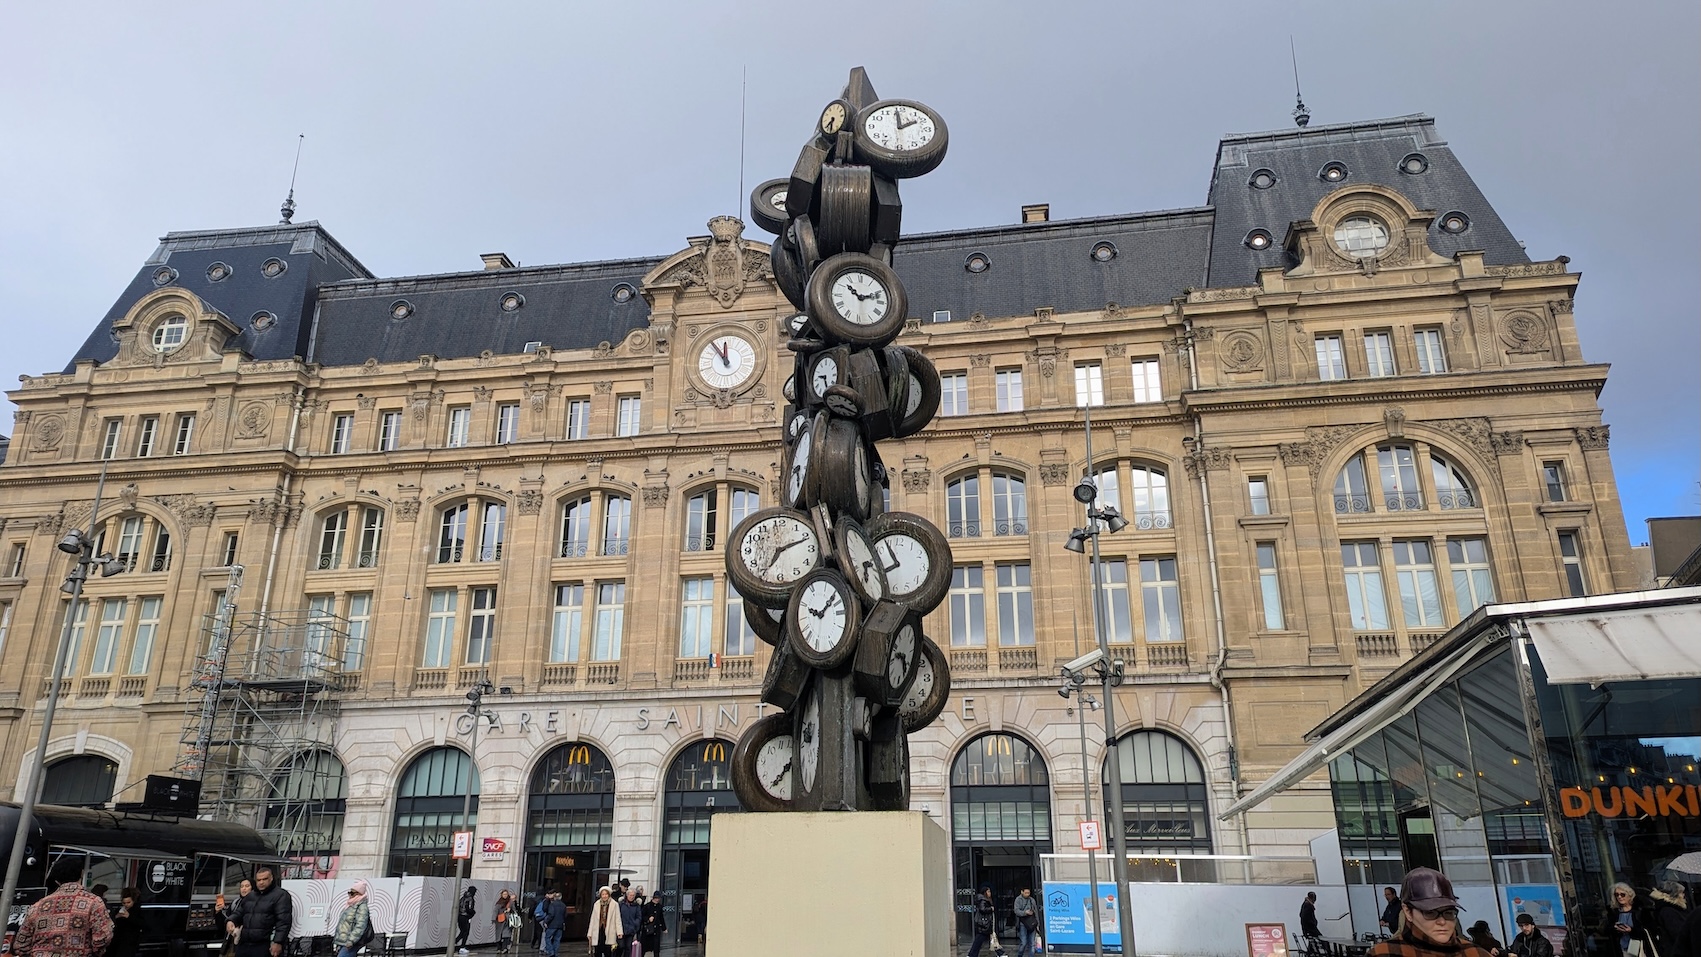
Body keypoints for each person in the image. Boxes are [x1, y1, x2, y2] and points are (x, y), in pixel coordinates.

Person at [1368, 867, 1494, 957]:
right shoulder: (1384, 953)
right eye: (1430, 913)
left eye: (1448, 912)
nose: (1442, 921)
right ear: (1407, 911)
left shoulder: (1476, 953)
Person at [12, 858, 114, 957]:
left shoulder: (37, 906)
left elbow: (21, 944)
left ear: (57, 881)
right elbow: (103, 937)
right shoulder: (94, 903)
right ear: (82, 874)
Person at [228, 866, 293, 957]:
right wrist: (231, 920)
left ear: (271, 878)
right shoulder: (250, 896)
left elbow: (283, 922)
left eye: (265, 879)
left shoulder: (281, 895)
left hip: (265, 945)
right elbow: (239, 912)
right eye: (259, 880)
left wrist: (278, 941)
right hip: (244, 944)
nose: (261, 882)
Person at [1600, 883, 1652, 955]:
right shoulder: (1614, 912)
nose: (1619, 897)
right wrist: (1614, 928)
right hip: (1620, 949)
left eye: (1622, 894)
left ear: (1629, 895)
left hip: (1639, 949)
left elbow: (1650, 930)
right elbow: (1605, 930)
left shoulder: (1640, 911)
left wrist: (1631, 930)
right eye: (1616, 895)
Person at [332, 881, 372, 957]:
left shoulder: (362, 907)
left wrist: (352, 940)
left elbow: (360, 925)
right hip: (344, 942)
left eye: (352, 893)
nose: (350, 895)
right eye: (349, 892)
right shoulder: (350, 905)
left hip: (350, 943)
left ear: (359, 894)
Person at [1652, 882, 1690, 956]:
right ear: (1675, 894)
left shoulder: (1674, 909)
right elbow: (1678, 933)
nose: (1683, 895)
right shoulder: (1669, 911)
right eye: (1681, 893)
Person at [586, 886, 622, 957]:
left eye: (606, 894)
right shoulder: (596, 904)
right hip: (598, 930)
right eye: (603, 894)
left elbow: (618, 919)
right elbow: (592, 919)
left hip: (610, 930)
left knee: (608, 950)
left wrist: (619, 932)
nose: (604, 896)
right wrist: (589, 933)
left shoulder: (614, 904)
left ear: (609, 895)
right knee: (597, 950)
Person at [108, 887, 144, 957]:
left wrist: (129, 917)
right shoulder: (120, 910)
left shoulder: (137, 910)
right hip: (118, 940)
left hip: (130, 941)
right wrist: (116, 917)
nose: (126, 905)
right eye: (124, 903)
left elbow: (142, 923)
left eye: (128, 902)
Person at [968, 886, 998, 957]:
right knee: (980, 940)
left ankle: (972, 954)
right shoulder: (983, 900)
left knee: (991, 938)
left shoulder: (985, 900)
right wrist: (990, 909)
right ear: (985, 892)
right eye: (988, 891)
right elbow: (982, 909)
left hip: (985, 923)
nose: (989, 893)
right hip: (984, 923)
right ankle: (972, 955)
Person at [1012, 887, 1039, 957]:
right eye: (1026, 893)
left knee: (1032, 943)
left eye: (1028, 893)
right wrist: (1025, 912)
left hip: (1032, 923)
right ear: (1022, 892)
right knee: (1023, 942)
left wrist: (1037, 923)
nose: (1027, 894)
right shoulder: (1018, 900)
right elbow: (1016, 911)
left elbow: (1036, 912)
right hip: (1022, 923)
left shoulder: (1031, 900)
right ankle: (1020, 955)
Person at [538, 891, 566, 957]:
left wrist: (546, 921)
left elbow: (551, 914)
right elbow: (565, 915)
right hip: (560, 925)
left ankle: (551, 951)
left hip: (552, 925)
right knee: (557, 939)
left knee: (547, 937)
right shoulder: (563, 905)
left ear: (555, 898)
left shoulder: (552, 905)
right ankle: (555, 952)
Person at [638, 892, 665, 957]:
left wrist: (664, 928)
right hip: (648, 930)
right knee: (644, 948)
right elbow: (641, 916)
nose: (657, 900)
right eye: (656, 898)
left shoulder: (660, 907)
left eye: (659, 898)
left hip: (656, 930)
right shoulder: (647, 906)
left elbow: (661, 918)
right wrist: (648, 919)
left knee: (656, 948)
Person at [616, 886, 641, 956]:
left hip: (631, 930)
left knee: (628, 948)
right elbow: (617, 916)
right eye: (630, 895)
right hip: (621, 930)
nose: (631, 897)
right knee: (620, 946)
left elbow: (639, 917)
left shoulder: (636, 906)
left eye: (633, 895)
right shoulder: (621, 904)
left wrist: (635, 925)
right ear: (627, 895)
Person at [490, 889, 517, 955]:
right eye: (504, 894)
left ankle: (504, 948)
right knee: (499, 935)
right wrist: (493, 919)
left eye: (506, 894)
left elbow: (515, 911)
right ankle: (499, 948)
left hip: (507, 921)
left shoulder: (510, 902)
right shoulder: (499, 902)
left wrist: (510, 911)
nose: (505, 896)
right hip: (499, 921)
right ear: (501, 895)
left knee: (506, 935)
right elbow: (495, 911)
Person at [456, 885, 478, 955]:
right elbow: (469, 909)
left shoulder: (463, 898)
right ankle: (462, 946)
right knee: (466, 932)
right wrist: (473, 912)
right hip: (466, 917)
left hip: (460, 916)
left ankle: (456, 942)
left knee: (462, 931)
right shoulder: (470, 898)